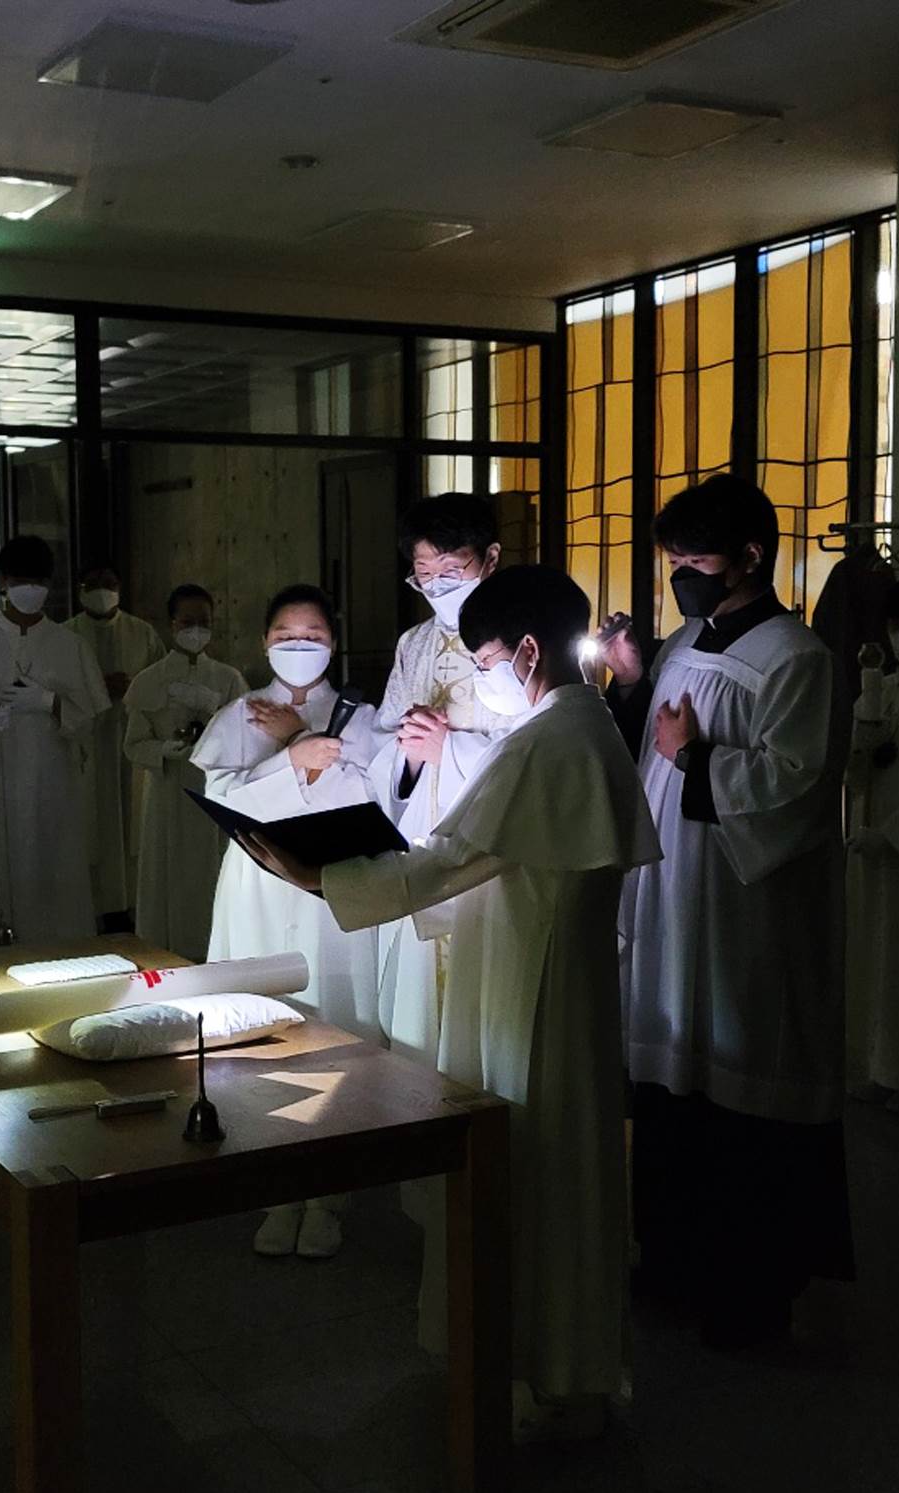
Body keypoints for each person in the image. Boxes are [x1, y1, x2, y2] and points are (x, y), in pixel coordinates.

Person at [247, 566, 660, 1437]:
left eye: (483, 660)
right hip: (542, 968)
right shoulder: (574, 727)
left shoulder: (552, 741)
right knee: (555, 1170)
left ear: (529, 651)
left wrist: (318, 876)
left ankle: (538, 1367)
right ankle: (558, 1367)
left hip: (531, 983)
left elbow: (451, 861)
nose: (480, 677)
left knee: (533, 1169)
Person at [599, 473, 854, 1349]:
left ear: (750, 556)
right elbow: (649, 744)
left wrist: (697, 760)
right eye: (672, 561)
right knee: (672, 1091)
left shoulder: (796, 657)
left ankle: (750, 1295)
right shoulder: (685, 640)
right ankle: (673, 1261)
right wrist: (635, 683)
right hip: (672, 893)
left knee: (742, 1089)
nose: (681, 577)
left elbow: (800, 786)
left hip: (745, 909)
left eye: (695, 561)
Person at [192, 583, 388, 1259]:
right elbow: (222, 798)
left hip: (331, 885)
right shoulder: (240, 712)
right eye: (285, 635)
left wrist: (308, 747)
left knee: (334, 1022)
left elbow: (376, 797)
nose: (298, 646)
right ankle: (276, 1189)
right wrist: (288, 762)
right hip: (257, 882)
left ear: (334, 642)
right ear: (263, 642)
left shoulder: (362, 716)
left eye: (312, 635)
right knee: (260, 1024)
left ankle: (329, 1193)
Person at [371, 494, 519, 1344]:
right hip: (424, 845)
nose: (434, 587)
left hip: (489, 862)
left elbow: (535, 752)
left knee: (479, 1031)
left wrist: (449, 747)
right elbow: (388, 740)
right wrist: (405, 749)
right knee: (424, 1039)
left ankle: (485, 1192)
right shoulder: (415, 643)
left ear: (490, 560)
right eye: (422, 574)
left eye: (450, 571)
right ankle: (431, 1205)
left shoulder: (519, 635)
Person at [0, 535, 109, 944]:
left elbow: (92, 719)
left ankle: (64, 948)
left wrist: (51, 702)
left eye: (38, 580)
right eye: (21, 580)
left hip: (55, 777)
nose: (30, 589)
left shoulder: (70, 645)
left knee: (57, 862)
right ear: (3, 581)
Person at [123, 585, 246, 960]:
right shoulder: (148, 681)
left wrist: (215, 712)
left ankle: (213, 951)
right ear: (172, 624)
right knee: (167, 873)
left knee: (211, 871)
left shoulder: (228, 679)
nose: (196, 630)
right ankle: (164, 952)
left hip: (214, 793)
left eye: (203, 622)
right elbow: (133, 745)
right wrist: (164, 749)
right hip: (168, 791)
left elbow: (247, 739)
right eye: (188, 622)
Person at [65, 564, 163, 926]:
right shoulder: (67, 635)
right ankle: (90, 910)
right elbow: (55, 692)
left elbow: (161, 683)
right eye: (93, 584)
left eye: (108, 584)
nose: (102, 591)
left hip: (130, 741)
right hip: (86, 745)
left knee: (132, 825)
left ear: (119, 588)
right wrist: (95, 688)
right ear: (80, 590)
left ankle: (134, 908)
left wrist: (133, 686)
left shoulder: (142, 633)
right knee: (91, 826)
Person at [844, 579, 899, 1108]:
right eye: (895, 626)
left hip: (895, 843)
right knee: (878, 959)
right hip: (877, 844)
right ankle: (881, 1068)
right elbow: (858, 765)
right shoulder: (886, 687)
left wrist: (891, 835)